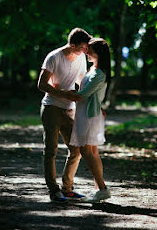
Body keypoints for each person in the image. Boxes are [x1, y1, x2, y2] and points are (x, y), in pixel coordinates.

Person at [37, 27, 91, 203]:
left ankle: (67, 189)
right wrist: (63, 94)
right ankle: (54, 191)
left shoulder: (82, 57)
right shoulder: (54, 57)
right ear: (72, 44)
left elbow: (82, 82)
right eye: (83, 47)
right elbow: (41, 84)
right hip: (51, 108)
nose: (86, 51)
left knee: (76, 150)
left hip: (70, 110)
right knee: (51, 150)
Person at [68, 37, 112, 203]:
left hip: (89, 115)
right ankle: (99, 189)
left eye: (90, 50)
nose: (86, 52)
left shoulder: (99, 73)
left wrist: (60, 93)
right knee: (92, 152)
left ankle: (102, 188)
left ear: (98, 53)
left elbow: (83, 94)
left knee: (87, 151)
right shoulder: (94, 69)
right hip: (88, 113)